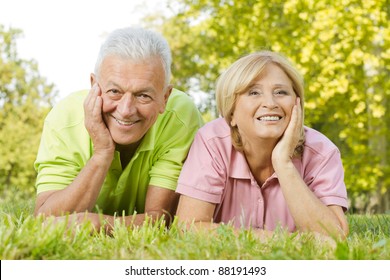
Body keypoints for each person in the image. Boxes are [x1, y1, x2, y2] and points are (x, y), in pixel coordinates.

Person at [34, 27, 203, 232]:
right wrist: (102, 153)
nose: (126, 110)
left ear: (165, 98)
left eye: (143, 95)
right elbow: (45, 220)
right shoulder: (64, 118)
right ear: (94, 85)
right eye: (114, 91)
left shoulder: (181, 116)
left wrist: (100, 224)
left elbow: (163, 219)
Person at [175, 50, 349, 239]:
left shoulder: (322, 152)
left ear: (297, 104)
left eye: (281, 92)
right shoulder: (211, 142)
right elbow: (189, 227)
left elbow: (334, 236)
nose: (270, 102)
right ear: (231, 113)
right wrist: (280, 241)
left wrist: (283, 163)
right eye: (254, 92)